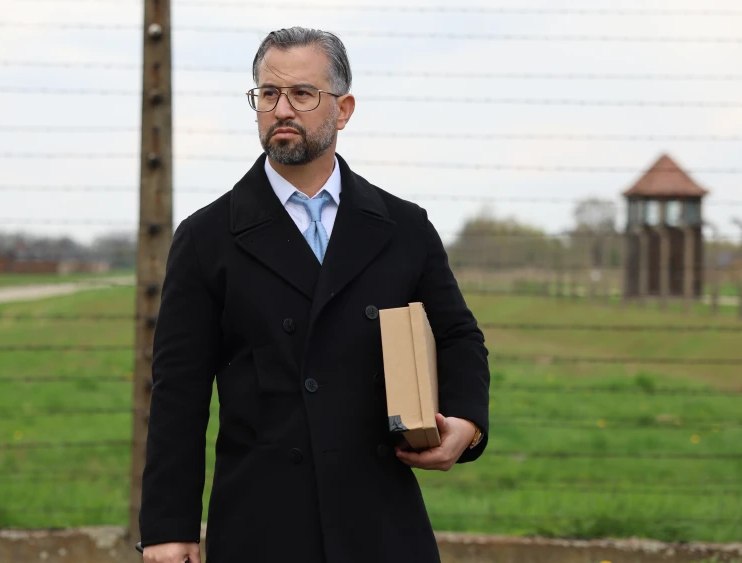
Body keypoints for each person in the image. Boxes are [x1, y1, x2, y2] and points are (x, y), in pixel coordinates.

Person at [138, 27, 490, 563]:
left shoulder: (402, 226)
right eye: (268, 94)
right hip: (261, 524)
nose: (282, 109)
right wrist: (168, 527)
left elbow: (459, 337)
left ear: (343, 109)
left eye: (303, 94)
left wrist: (465, 422)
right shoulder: (207, 238)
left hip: (380, 522)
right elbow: (178, 393)